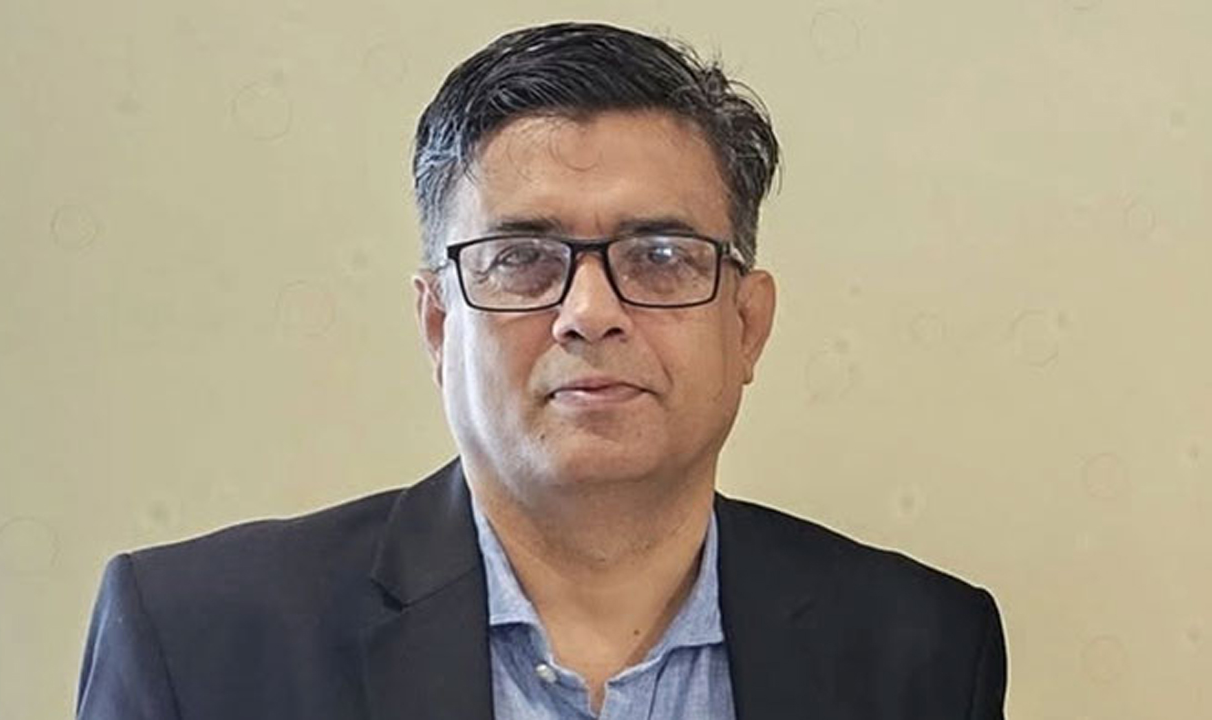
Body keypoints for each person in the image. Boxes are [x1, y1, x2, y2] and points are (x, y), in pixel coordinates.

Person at [76, 21, 1007, 720]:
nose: (589, 312)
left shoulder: (918, 651)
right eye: (521, 258)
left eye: (660, 255)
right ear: (438, 325)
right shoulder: (200, 640)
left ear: (747, 325)